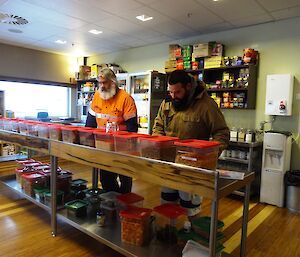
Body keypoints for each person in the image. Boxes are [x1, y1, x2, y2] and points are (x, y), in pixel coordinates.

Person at [152, 69, 230, 217]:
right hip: (168, 165)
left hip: (192, 168)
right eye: (171, 92)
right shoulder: (167, 102)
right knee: (167, 205)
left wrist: (208, 156)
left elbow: (222, 133)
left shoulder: (206, 105)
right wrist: (158, 145)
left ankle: (191, 236)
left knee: (190, 210)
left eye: (178, 92)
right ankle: (170, 234)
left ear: (188, 87)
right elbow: (158, 127)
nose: (173, 96)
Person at [85, 67, 138, 194]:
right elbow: (90, 123)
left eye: (104, 83)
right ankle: (111, 204)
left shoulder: (126, 99)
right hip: (103, 146)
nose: (101, 86)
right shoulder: (97, 96)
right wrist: (87, 140)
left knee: (125, 179)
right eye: (100, 83)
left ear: (113, 82)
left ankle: (125, 205)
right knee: (106, 180)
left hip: (123, 147)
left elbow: (132, 128)